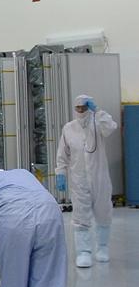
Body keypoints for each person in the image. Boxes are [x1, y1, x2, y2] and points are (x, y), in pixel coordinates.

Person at [56, 94, 118, 268]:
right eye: (78, 108)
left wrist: (98, 111)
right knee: (80, 214)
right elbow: (62, 154)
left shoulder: (98, 125)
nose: (81, 111)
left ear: (89, 108)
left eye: (84, 108)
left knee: (103, 211)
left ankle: (103, 247)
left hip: (100, 177)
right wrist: (60, 173)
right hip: (79, 179)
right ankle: (83, 252)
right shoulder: (69, 128)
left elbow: (111, 127)